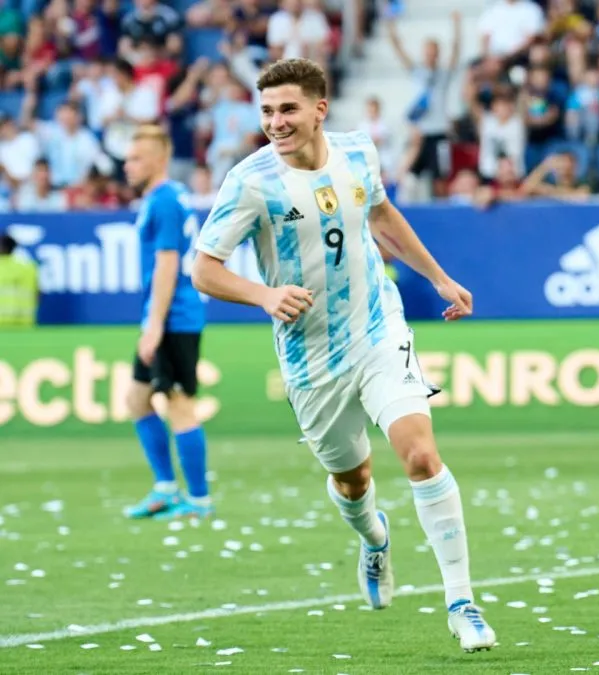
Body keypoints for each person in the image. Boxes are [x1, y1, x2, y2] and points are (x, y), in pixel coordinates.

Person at [190, 58, 496, 653]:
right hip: (311, 358)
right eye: (268, 112)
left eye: (288, 110)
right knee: (353, 481)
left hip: (378, 329)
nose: (276, 123)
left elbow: (381, 215)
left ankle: (462, 601)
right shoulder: (250, 182)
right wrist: (264, 294)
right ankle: (375, 539)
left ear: (319, 109)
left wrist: (437, 278)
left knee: (420, 456)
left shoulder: (359, 153)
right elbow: (203, 268)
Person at [122, 124, 212, 521]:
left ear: (159, 159)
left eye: (136, 158)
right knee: (137, 399)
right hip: (165, 317)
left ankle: (198, 499)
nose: (128, 165)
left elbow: (168, 263)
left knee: (178, 404)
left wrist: (154, 324)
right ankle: (164, 488)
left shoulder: (163, 201)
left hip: (174, 318)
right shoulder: (165, 197)